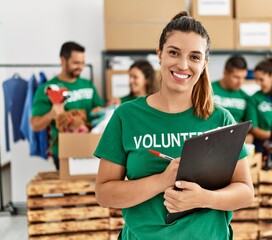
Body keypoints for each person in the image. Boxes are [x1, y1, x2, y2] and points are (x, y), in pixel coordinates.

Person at [94, 11, 254, 240]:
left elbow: (246, 192)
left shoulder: (221, 119)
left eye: (195, 57)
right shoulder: (126, 116)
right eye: (174, 52)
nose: (183, 64)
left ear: (204, 64)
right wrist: (161, 181)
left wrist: (204, 198)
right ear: (159, 55)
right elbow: (104, 194)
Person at [31, 41, 104, 170]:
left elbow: (100, 112)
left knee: (92, 189)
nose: (80, 67)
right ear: (63, 60)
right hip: (63, 151)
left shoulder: (88, 85)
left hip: (90, 148)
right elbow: (35, 125)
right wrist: (52, 114)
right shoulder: (47, 89)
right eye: (76, 63)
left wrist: (101, 110)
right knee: (70, 189)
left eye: (82, 63)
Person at [212, 55, 249, 122]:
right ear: (225, 73)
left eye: (243, 77)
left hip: (237, 131)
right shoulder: (208, 90)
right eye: (236, 77)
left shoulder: (245, 97)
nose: (240, 82)